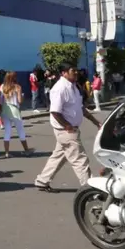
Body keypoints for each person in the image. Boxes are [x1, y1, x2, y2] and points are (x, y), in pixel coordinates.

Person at [35, 64, 101, 193]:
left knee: (59, 156)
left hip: (70, 129)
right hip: (65, 130)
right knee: (80, 159)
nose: (76, 73)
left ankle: (42, 181)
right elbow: (55, 111)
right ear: (64, 73)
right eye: (73, 71)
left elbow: (80, 108)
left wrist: (95, 122)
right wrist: (67, 126)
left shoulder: (74, 87)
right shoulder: (59, 88)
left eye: (76, 70)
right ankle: (89, 189)